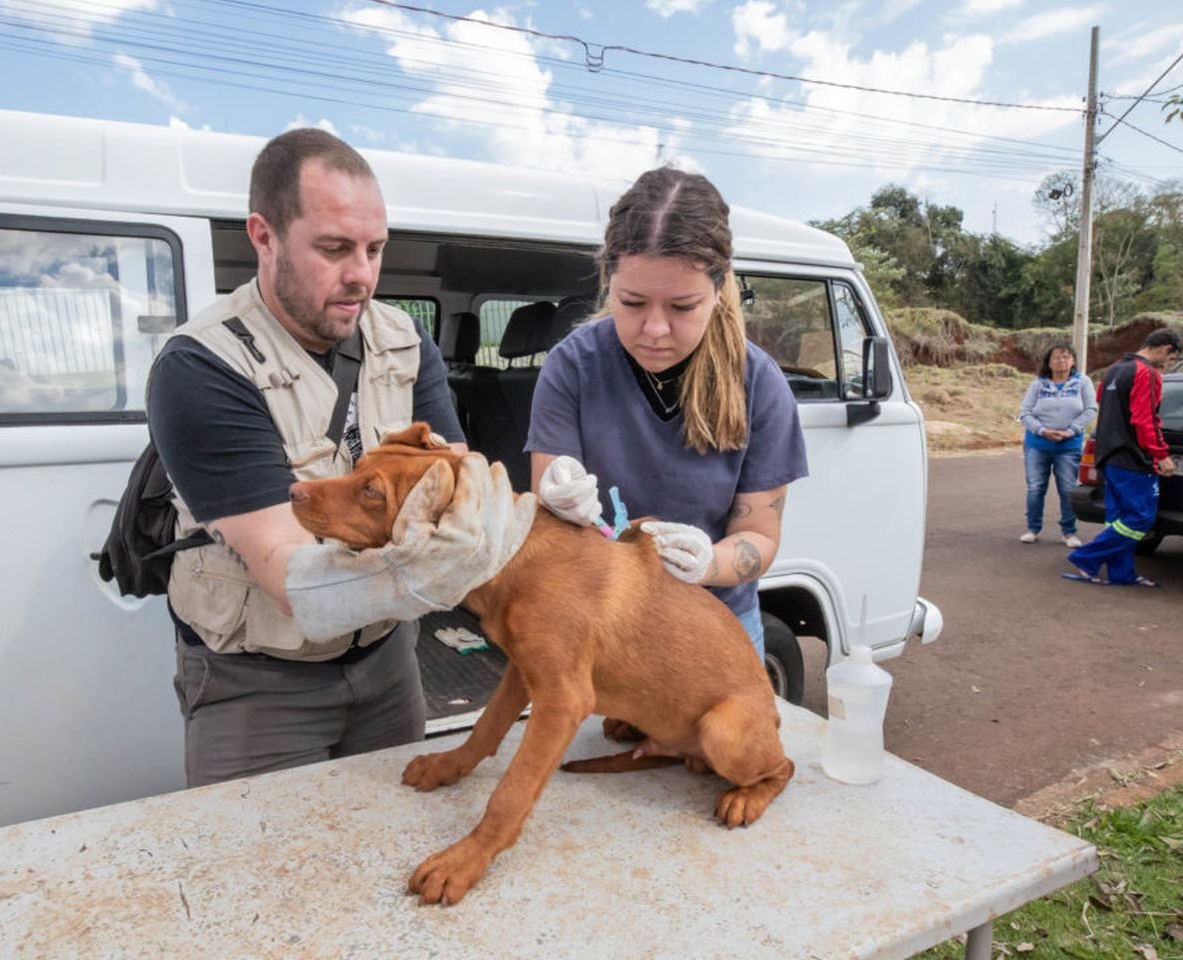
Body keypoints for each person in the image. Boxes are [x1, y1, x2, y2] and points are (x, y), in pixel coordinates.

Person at [146, 129, 533, 787]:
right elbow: (290, 576)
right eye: (333, 249)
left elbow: (457, 486)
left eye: (374, 249)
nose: (362, 276)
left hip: (388, 661)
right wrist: (440, 567)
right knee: (264, 849)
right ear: (264, 236)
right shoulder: (202, 364)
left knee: (393, 829)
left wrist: (512, 520)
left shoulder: (403, 339)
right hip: (259, 683)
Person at [525, 167, 809, 666]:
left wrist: (710, 561)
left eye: (682, 306)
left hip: (713, 625)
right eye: (632, 302)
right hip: (602, 619)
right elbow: (547, 513)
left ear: (719, 287)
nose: (654, 329)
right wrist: (554, 499)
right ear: (608, 282)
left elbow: (760, 539)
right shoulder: (573, 366)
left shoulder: (759, 385)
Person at [1064, 327, 1183, 588]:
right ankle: (1086, 557)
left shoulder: (1114, 369)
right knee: (1141, 518)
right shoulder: (1147, 373)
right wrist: (1161, 454)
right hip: (1133, 458)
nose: (1167, 364)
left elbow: (1104, 407)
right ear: (1165, 348)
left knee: (1118, 520)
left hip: (1109, 455)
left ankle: (1122, 573)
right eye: (1171, 358)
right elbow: (1145, 419)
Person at [1017, 341, 1097, 548]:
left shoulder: (1082, 382)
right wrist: (1042, 431)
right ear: (1049, 362)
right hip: (1037, 445)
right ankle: (1032, 529)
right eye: (1057, 357)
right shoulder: (1038, 384)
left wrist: (1070, 431)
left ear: (1073, 361)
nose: (1062, 360)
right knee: (1035, 488)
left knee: (1067, 489)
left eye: (1066, 356)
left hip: (1068, 446)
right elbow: (1024, 413)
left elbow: (1091, 409)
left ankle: (1069, 532)